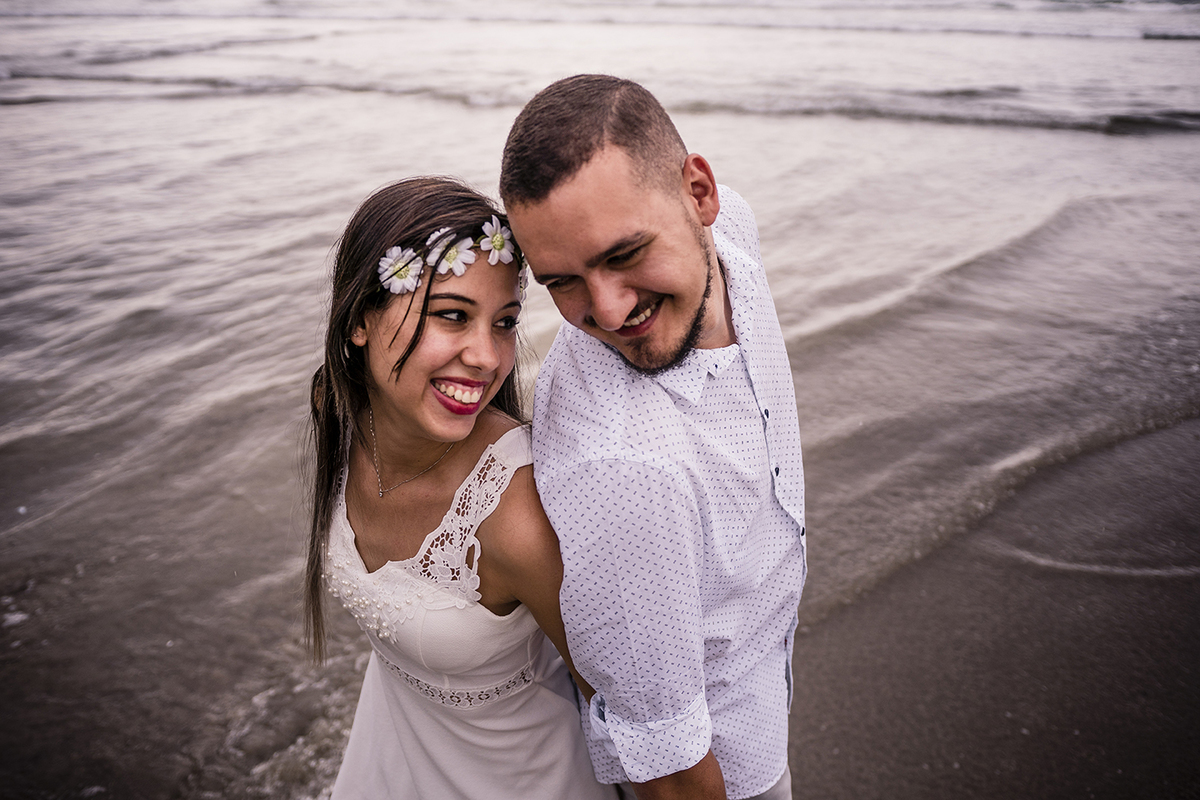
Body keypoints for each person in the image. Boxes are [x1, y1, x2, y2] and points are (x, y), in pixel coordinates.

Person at [499, 75, 807, 800]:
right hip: (734, 766)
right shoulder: (622, 467)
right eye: (563, 282)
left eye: (623, 254)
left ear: (700, 194)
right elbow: (666, 761)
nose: (607, 312)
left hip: (769, 669)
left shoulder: (734, 232)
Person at [303, 176, 617, 799]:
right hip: (388, 756)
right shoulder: (340, 413)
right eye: (453, 315)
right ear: (360, 320)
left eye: (504, 323)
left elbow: (624, 709)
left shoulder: (516, 513)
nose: (487, 357)